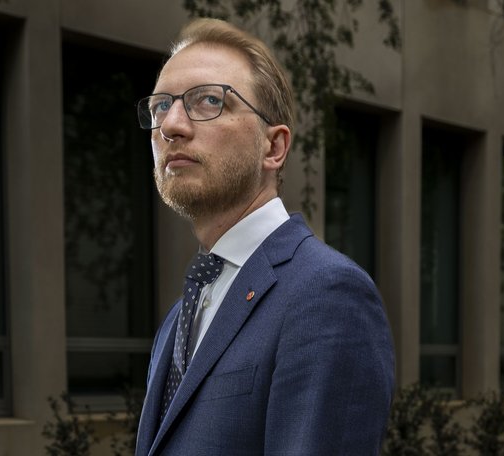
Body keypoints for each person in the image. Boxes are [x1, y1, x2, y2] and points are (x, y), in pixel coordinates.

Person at [134, 17, 395, 456]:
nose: (171, 125)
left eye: (208, 100)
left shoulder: (327, 295)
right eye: (161, 106)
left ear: (273, 147)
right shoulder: (177, 320)